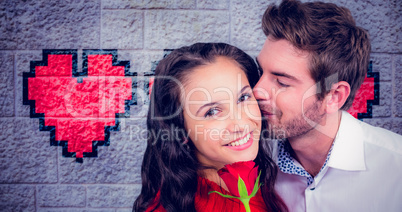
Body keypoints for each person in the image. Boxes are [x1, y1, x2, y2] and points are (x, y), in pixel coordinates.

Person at [253, 0, 402, 211]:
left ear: (333, 97)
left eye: (282, 82)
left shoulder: (396, 170)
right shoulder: (251, 160)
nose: (257, 90)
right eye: (261, 72)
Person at [133, 43, 288, 212]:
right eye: (212, 112)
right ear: (180, 131)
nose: (240, 123)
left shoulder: (266, 186)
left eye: (243, 98)